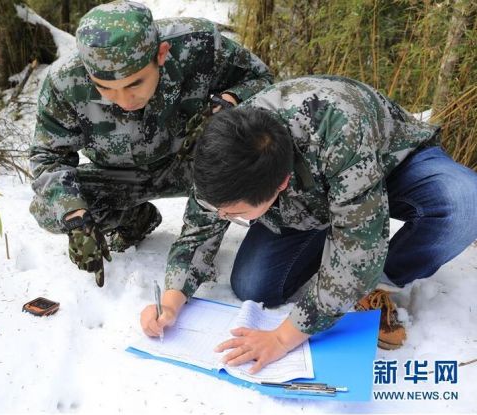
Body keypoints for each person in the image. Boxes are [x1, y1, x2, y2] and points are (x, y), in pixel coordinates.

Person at [140, 75, 477, 373]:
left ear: (280, 185)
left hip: (390, 162)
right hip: (312, 193)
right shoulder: (223, 152)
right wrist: (171, 302)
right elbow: (198, 231)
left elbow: (358, 253)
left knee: (463, 205)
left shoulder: (340, 128)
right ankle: (331, 228)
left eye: (235, 213)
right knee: (254, 286)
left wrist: (283, 338)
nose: (225, 219)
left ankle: (382, 282)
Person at [29, 0, 273, 287]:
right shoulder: (64, 83)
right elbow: (48, 158)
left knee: (251, 160)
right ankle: (136, 219)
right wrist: (76, 216)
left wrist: (227, 102)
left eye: (134, 83)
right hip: (121, 176)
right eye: (105, 88)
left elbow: (262, 80)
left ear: (161, 54)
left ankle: (224, 236)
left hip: (196, 164)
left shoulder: (199, 43)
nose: (123, 100)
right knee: (49, 210)